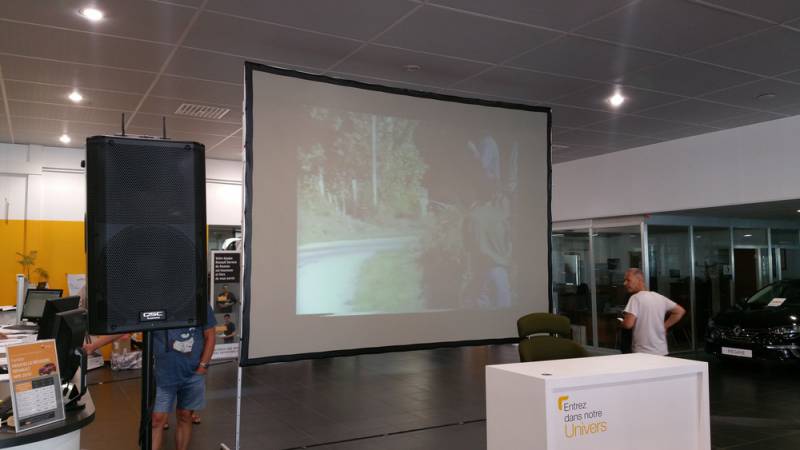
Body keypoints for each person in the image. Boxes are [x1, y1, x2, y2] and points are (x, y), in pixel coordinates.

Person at [151, 303, 216, 450]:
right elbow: (122, 330)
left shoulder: (200, 303)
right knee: (157, 420)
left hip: (192, 374)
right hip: (164, 375)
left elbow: (210, 336)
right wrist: (94, 346)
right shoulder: (156, 301)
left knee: (185, 416)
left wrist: (202, 367)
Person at [620, 268, 686, 355]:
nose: (625, 283)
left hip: (643, 352)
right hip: (661, 351)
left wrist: (621, 322)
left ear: (639, 279)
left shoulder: (635, 298)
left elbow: (628, 325)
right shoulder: (659, 297)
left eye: (628, 280)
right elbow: (680, 311)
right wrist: (665, 326)